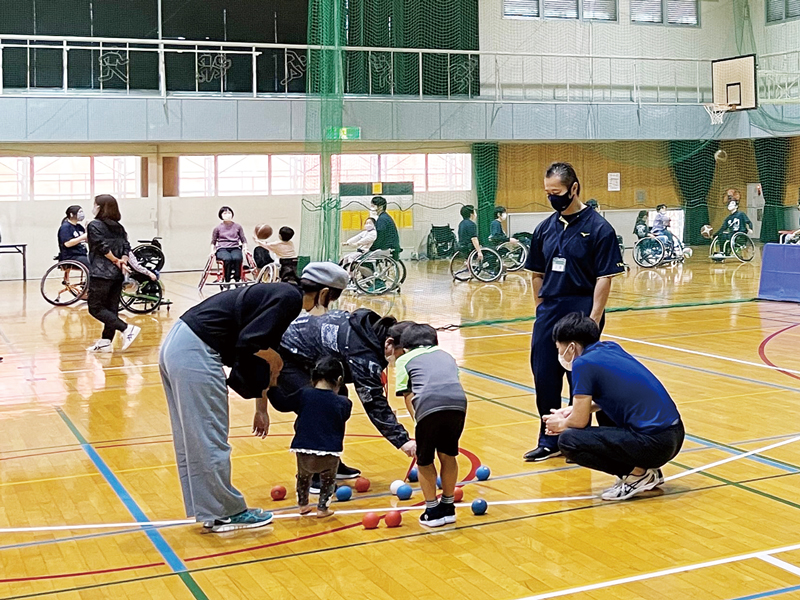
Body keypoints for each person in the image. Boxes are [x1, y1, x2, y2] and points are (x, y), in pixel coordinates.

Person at [158, 262, 349, 533]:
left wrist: (262, 406)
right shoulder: (289, 300)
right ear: (325, 292)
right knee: (209, 435)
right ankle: (227, 512)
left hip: (178, 343)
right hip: (197, 349)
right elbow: (250, 344)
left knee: (194, 438)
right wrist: (273, 357)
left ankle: (212, 511)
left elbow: (261, 351)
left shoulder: (282, 294)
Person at [523, 162, 625, 462]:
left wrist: (592, 320)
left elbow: (604, 278)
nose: (552, 197)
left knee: (579, 378)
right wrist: (541, 307)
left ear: (574, 188)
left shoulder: (599, 229)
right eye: (548, 193)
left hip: (581, 310)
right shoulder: (544, 228)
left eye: (557, 192)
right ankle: (548, 438)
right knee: (544, 375)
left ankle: (575, 440)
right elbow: (536, 273)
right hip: (550, 311)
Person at [542, 313, 684, 501]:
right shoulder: (610, 347)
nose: (559, 353)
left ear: (571, 347)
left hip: (654, 443)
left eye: (558, 348)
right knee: (603, 416)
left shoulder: (582, 364)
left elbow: (579, 422)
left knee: (569, 440)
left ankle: (637, 475)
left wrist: (561, 424)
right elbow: (613, 395)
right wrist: (575, 410)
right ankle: (647, 472)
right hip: (673, 435)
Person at [278, 308, 416, 486]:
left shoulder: (371, 333)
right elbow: (373, 401)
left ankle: (330, 463)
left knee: (337, 400)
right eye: (404, 354)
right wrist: (402, 441)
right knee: (319, 404)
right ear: (389, 343)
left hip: (316, 356)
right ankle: (313, 474)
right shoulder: (363, 352)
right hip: (288, 354)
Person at [395, 323, 467, 527]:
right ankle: (448, 506)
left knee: (425, 460)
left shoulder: (404, 359)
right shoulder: (446, 355)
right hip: (458, 405)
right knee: (448, 453)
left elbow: (408, 395)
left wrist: (419, 425)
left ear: (406, 346)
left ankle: (432, 511)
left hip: (428, 406)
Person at [268, 356, 352, 518]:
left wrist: (273, 384)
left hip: (302, 448)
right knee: (328, 480)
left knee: (303, 476)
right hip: (329, 451)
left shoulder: (304, 394)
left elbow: (282, 404)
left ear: (313, 377)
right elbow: (342, 417)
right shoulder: (344, 403)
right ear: (339, 380)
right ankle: (322, 509)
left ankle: (303, 505)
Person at [86, 194, 140, 353]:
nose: (93, 207)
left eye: (95, 204)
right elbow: (126, 246)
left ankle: (126, 328)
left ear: (100, 207)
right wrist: (122, 261)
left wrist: (116, 260)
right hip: (117, 274)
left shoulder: (94, 225)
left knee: (95, 308)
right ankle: (105, 341)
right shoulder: (119, 227)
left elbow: (101, 247)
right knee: (111, 308)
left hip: (101, 273)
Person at [210, 206, 247, 284]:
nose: (227, 214)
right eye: (225, 213)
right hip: (222, 248)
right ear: (221, 215)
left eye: (229, 212)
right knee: (227, 259)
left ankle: (237, 279)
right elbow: (213, 242)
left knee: (237, 258)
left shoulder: (238, 226)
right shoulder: (217, 228)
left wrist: (245, 248)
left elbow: (243, 239)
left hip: (235, 247)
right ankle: (227, 279)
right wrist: (212, 251)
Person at [714, 191, 753, 257]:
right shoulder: (728, 218)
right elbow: (723, 228)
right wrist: (715, 234)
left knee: (730, 237)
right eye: (729, 204)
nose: (730, 205)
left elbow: (749, 222)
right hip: (732, 234)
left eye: (732, 204)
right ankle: (722, 252)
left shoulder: (741, 214)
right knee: (722, 236)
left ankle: (727, 251)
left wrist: (750, 228)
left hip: (740, 234)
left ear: (736, 206)